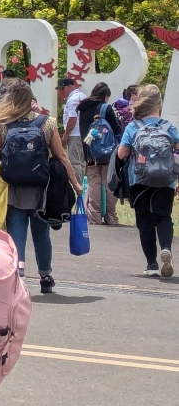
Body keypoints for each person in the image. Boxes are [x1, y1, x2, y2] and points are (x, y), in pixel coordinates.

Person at [0, 78, 80, 294]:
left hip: (13, 188)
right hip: (41, 190)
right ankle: (45, 275)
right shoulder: (47, 123)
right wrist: (76, 184)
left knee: (16, 231)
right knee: (41, 233)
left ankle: (18, 274)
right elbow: (61, 156)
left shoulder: (1, 125)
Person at [115, 84, 178, 277]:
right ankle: (165, 248)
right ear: (158, 103)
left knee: (144, 221)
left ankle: (151, 265)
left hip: (139, 180)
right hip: (166, 180)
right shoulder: (169, 127)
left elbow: (122, 153)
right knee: (164, 217)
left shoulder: (134, 127)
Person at [76, 82, 125, 226]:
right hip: (107, 152)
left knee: (93, 183)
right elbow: (116, 131)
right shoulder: (106, 108)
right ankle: (111, 217)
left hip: (90, 152)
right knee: (108, 182)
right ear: (105, 96)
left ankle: (94, 217)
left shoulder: (82, 108)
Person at [58, 75, 88, 188]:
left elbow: (72, 119)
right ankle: (84, 186)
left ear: (70, 86)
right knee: (81, 162)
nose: (61, 91)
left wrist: (65, 136)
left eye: (63, 88)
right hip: (83, 133)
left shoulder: (72, 99)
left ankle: (79, 187)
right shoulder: (83, 96)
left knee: (75, 162)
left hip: (75, 134)